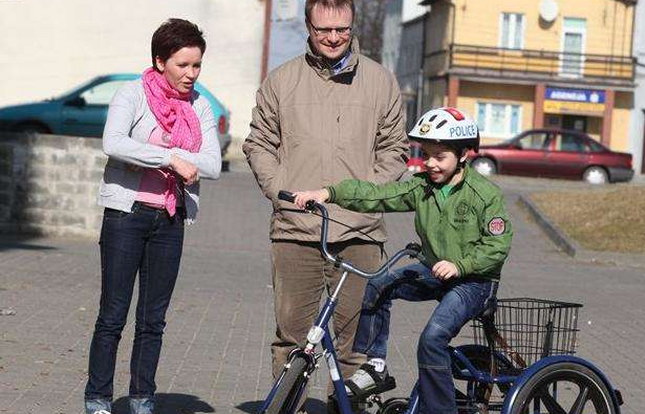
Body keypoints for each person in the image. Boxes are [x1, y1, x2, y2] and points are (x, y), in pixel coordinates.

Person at [292, 107, 513, 413]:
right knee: (379, 284)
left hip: (474, 281)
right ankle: (375, 366)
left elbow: (497, 246)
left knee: (432, 338)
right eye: (426, 154)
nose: (431, 163)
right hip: (436, 271)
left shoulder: (485, 194)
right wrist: (329, 193)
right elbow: (377, 195)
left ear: (464, 155)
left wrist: (460, 265)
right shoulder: (422, 186)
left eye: (440, 156)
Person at [242, 0, 408, 384]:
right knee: (292, 342)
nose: (334, 38)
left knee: (356, 349)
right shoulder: (282, 80)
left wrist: (364, 196)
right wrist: (282, 191)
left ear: (352, 27)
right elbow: (259, 144)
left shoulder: (381, 81)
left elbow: (395, 150)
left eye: (342, 29)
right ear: (308, 27)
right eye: (324, 30)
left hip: (359, 234)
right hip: (296, 231)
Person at [83, 18, 221, 414]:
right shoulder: (132, 95)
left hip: (170, 220)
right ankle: (98, 399)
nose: (191, 74)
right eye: (183, 65)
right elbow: (114, 141)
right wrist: (170, 159)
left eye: (196, 66)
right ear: (161, 61)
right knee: (112, 316)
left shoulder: (200, 107)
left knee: (153, 320)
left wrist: (178, 161)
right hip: (126, 218)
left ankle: (142, 399)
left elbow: (211, 164)